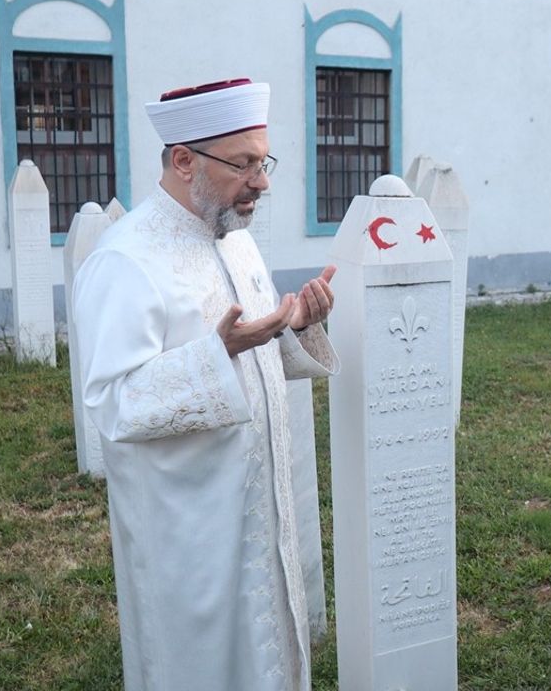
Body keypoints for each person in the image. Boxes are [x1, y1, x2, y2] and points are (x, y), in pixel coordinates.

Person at [73, 78, 340, 691]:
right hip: (188, 531)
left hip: (259, 511)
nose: (263, 181)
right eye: (243, 164)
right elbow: (111, 405)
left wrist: (293, 325)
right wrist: (217, 354)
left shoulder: (238, 244)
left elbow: (256, 351)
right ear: (184, 160)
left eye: (263, 161)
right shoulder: (125, 261)